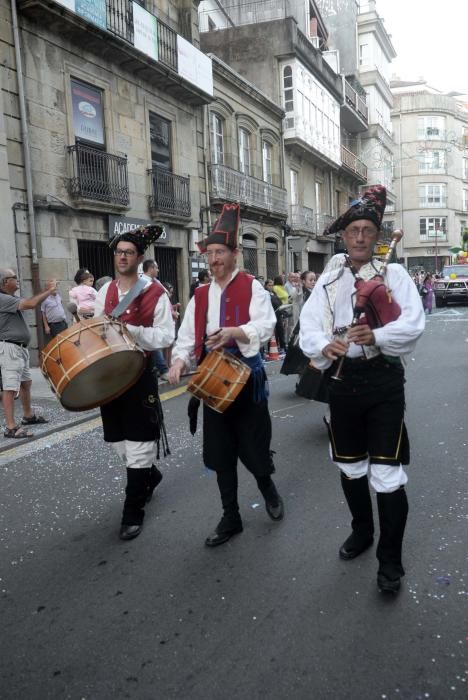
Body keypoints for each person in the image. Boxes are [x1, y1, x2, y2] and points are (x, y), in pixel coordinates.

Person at [299, 185, 425, 594]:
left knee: (387, 472)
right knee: (351, 465)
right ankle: (362, 530)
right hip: (343, 381)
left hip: (384, 381)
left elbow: (413, 324)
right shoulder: (330, 278)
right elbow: (309, 327)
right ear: (344, 235)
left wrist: (378, 336)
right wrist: (325, 345)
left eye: (368, 230)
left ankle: (390, 562)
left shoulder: (395, 275)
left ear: (376, 237)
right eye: (354, 229)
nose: (360, 237)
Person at [168, 203, 284, 547]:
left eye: (220, 252)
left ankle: (268, 488)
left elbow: (266, 326)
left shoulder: (253, 287)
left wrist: (234, 332)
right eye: (210, 253)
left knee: (254, 448)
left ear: (235, 254)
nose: (214, 259)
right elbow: (187, 336)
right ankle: (230, 516)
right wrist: (178, 361)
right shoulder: (200, 294)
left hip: (247, 382)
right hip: (214, 385)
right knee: (220, 455)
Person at [94, 226, 174, 540]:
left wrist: (131, 331)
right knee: (117, 442)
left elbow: (166, 336)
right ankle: (149, 476)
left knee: (139, 444)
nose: (122, 256)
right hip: (111, 376)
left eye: (128, 252)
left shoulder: (155, 292)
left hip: (139, 375)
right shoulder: (106, 291)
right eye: (119, 252)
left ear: (139, 258)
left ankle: (132, 511)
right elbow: (98, 328)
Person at [0, 268, 56, 438]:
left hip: (19, 348)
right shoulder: (2, 298)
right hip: (10, 347)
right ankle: (10, 426)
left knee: (26, 383)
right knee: (10, 388)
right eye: (14, 277)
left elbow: (30, 302)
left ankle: (28, 415)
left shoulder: (11, 298)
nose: (17, 279)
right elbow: (31, 304)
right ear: (4, 282)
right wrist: (48, 291)